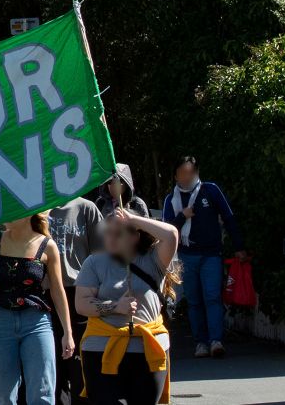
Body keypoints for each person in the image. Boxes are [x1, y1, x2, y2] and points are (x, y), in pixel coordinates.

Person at [0, 215, 75, 405]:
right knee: (4, 394)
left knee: (42, 391)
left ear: (28, 212)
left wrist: (67, 333)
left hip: (37, 322)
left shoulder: (47, 245)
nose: (5, 213)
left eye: (11, 208)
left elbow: (57, 290)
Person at [75, 209, 180, 405]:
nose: (111, 238)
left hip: (147, 349)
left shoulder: (153, 260)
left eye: (119, 233)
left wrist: (133, 219)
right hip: (101, 348)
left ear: (135, 236)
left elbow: (171, 234)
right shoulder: (94, 262)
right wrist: (115, 306)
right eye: (108, 232)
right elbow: (81, 304)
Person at [161, 156, 246, 358]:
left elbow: (228, 217)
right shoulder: (170, 199)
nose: (186, 177)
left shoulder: (210, 190)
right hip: (186, 255)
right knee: (194, 300)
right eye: (182, 173)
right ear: (175, 176)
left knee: (213, 297)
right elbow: (166, 230)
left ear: (197, 173)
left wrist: (239, 246)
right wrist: (183, 215)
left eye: (190, 172)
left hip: (211, 253)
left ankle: (216, 340)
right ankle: (200, 342)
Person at [48, 196, 103, 405]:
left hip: (79, 294)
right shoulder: (38, 209)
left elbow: (102, 255)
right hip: (46, 295)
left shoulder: (86, 208)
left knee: (81, 368)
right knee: (53, 368)